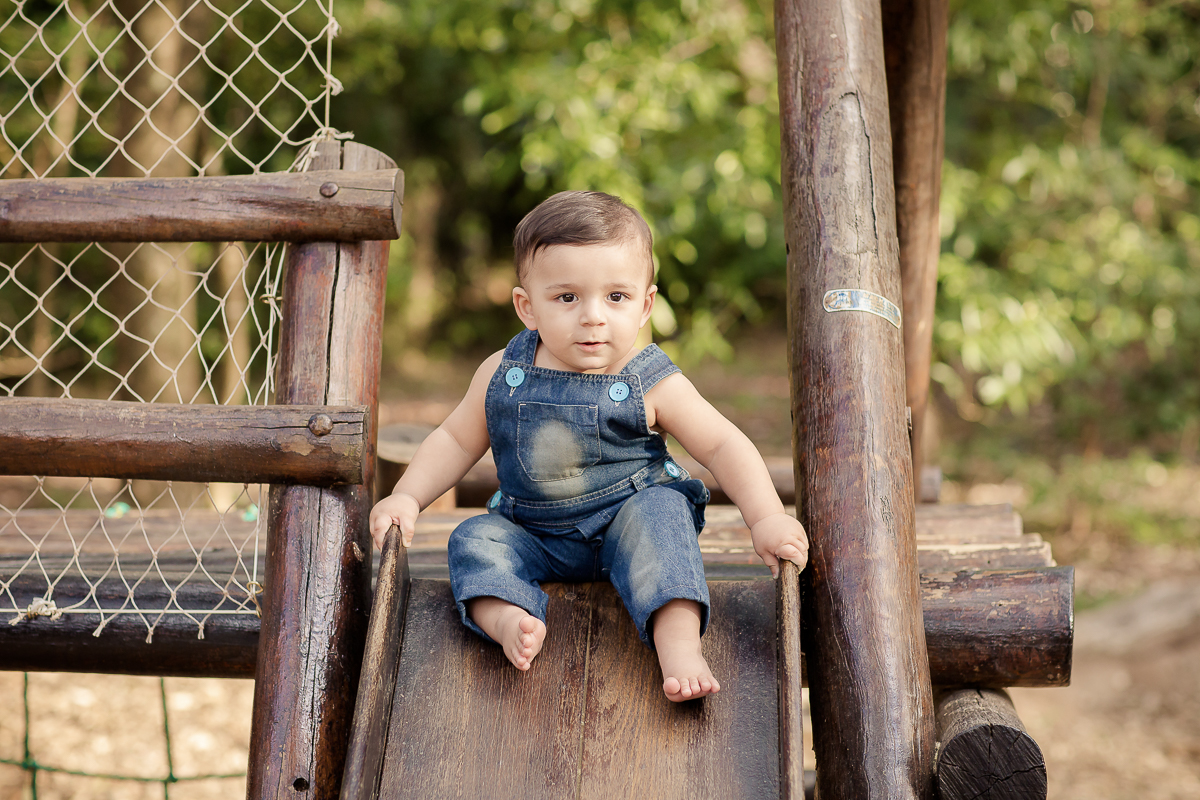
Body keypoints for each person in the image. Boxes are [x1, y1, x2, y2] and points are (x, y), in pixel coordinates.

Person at [369, 190, 808, 702]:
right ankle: (509, 618)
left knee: (664, 516)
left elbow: (722, 445)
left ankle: (679, 645)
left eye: (616, 297)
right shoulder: (503, 373)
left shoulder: (652, 381)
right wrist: (408, 495)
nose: (593, 316)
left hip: (630, 525)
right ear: (526, 307)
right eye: (567, 297)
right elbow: (453, 438)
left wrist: (766, 517)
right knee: (473, 539)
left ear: (645, 305)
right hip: (532, 533)